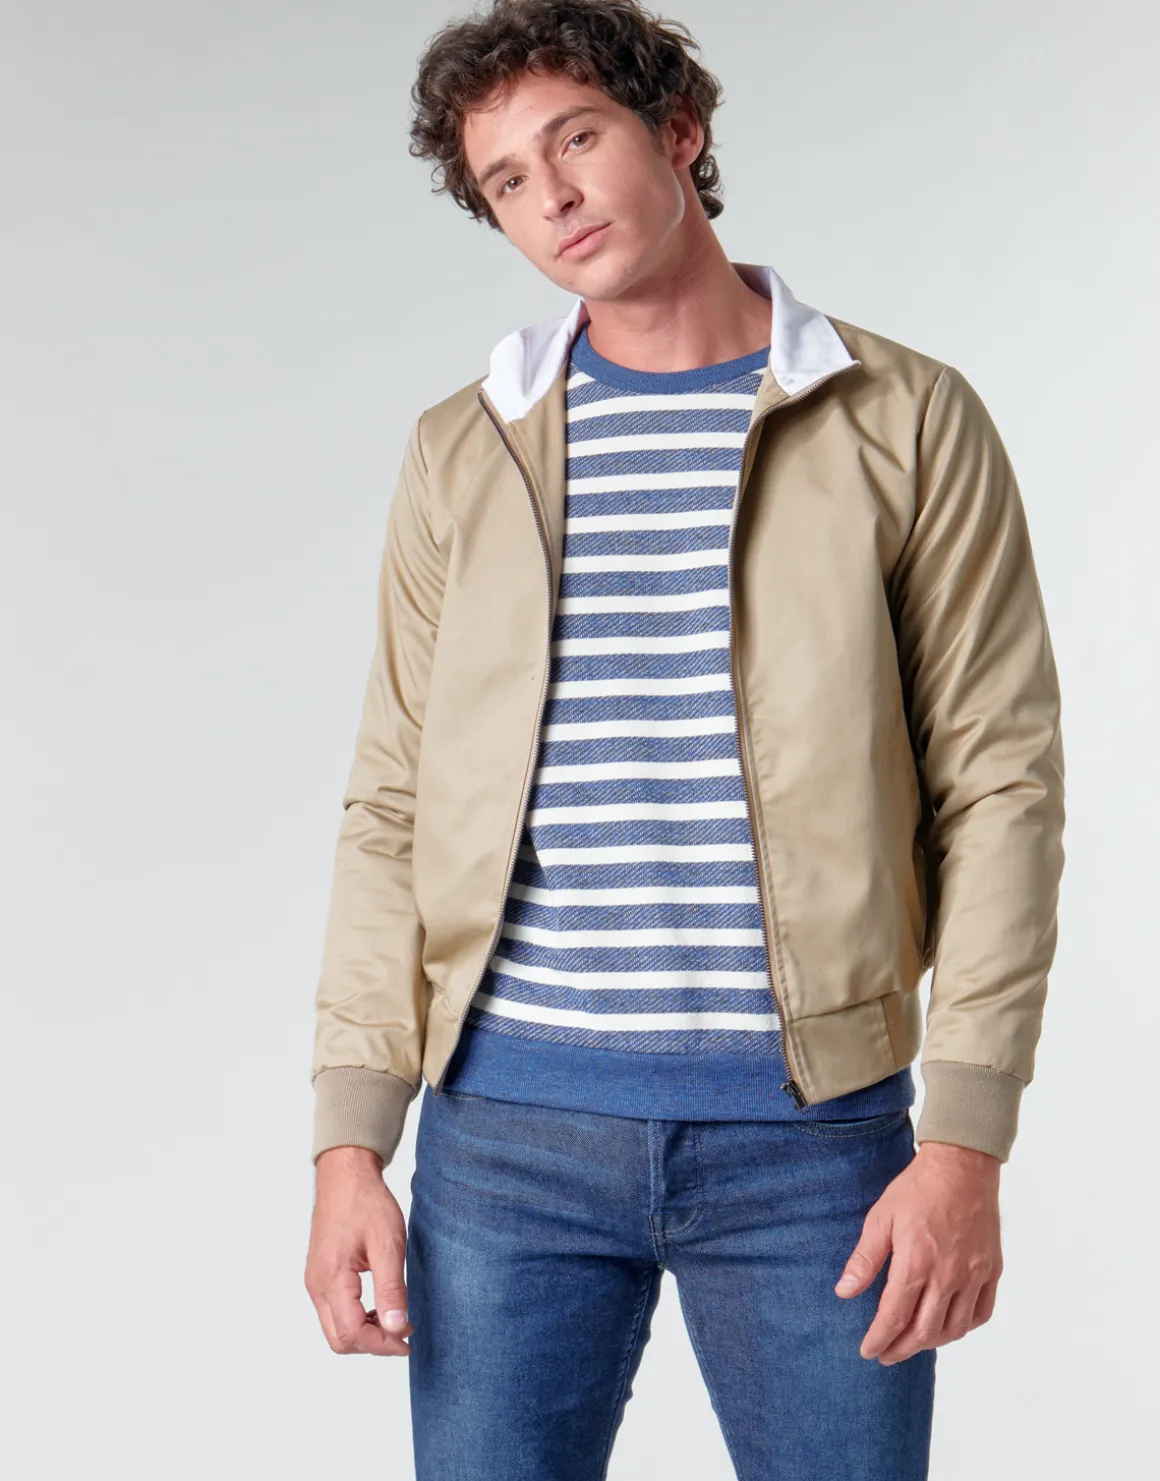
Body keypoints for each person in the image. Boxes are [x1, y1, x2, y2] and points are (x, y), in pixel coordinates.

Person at [303, 3, 1066, 1477]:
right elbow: (392, 801)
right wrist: (350, 1142)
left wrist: (966, 1140)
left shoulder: (902, 418)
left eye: (576, 138)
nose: (553, 196)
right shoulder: (465, 449)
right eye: (507, 180)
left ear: (678, 129)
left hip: (812, 1143)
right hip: (503, 1145)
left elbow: (1001, 790)